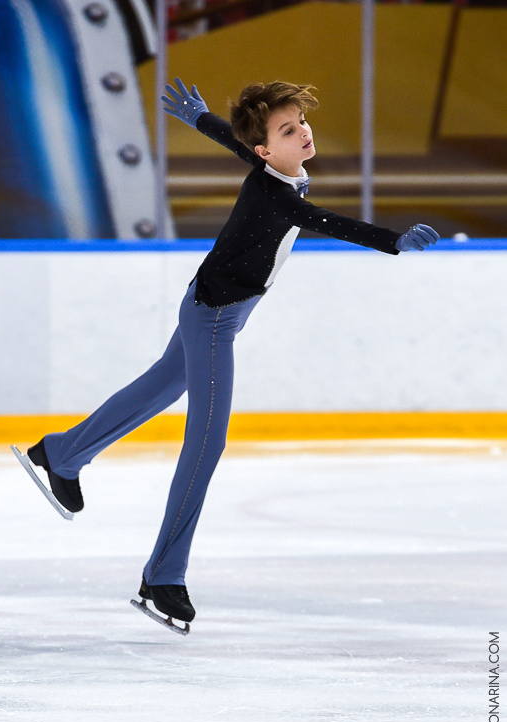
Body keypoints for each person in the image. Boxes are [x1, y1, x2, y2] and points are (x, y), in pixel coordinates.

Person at [24, 78, 439, 625]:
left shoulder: (274, 166)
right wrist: (393, 241)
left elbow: (238, 140)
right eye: (288, 130)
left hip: (216, 307)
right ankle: (163, 577)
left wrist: (199, 118)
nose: (303, 133)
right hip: (213, 318)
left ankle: (60, 454)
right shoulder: (276, 195)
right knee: (206, 442)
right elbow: (333, 224)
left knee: (156, 390)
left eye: (302, 124)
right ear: (268, 150)